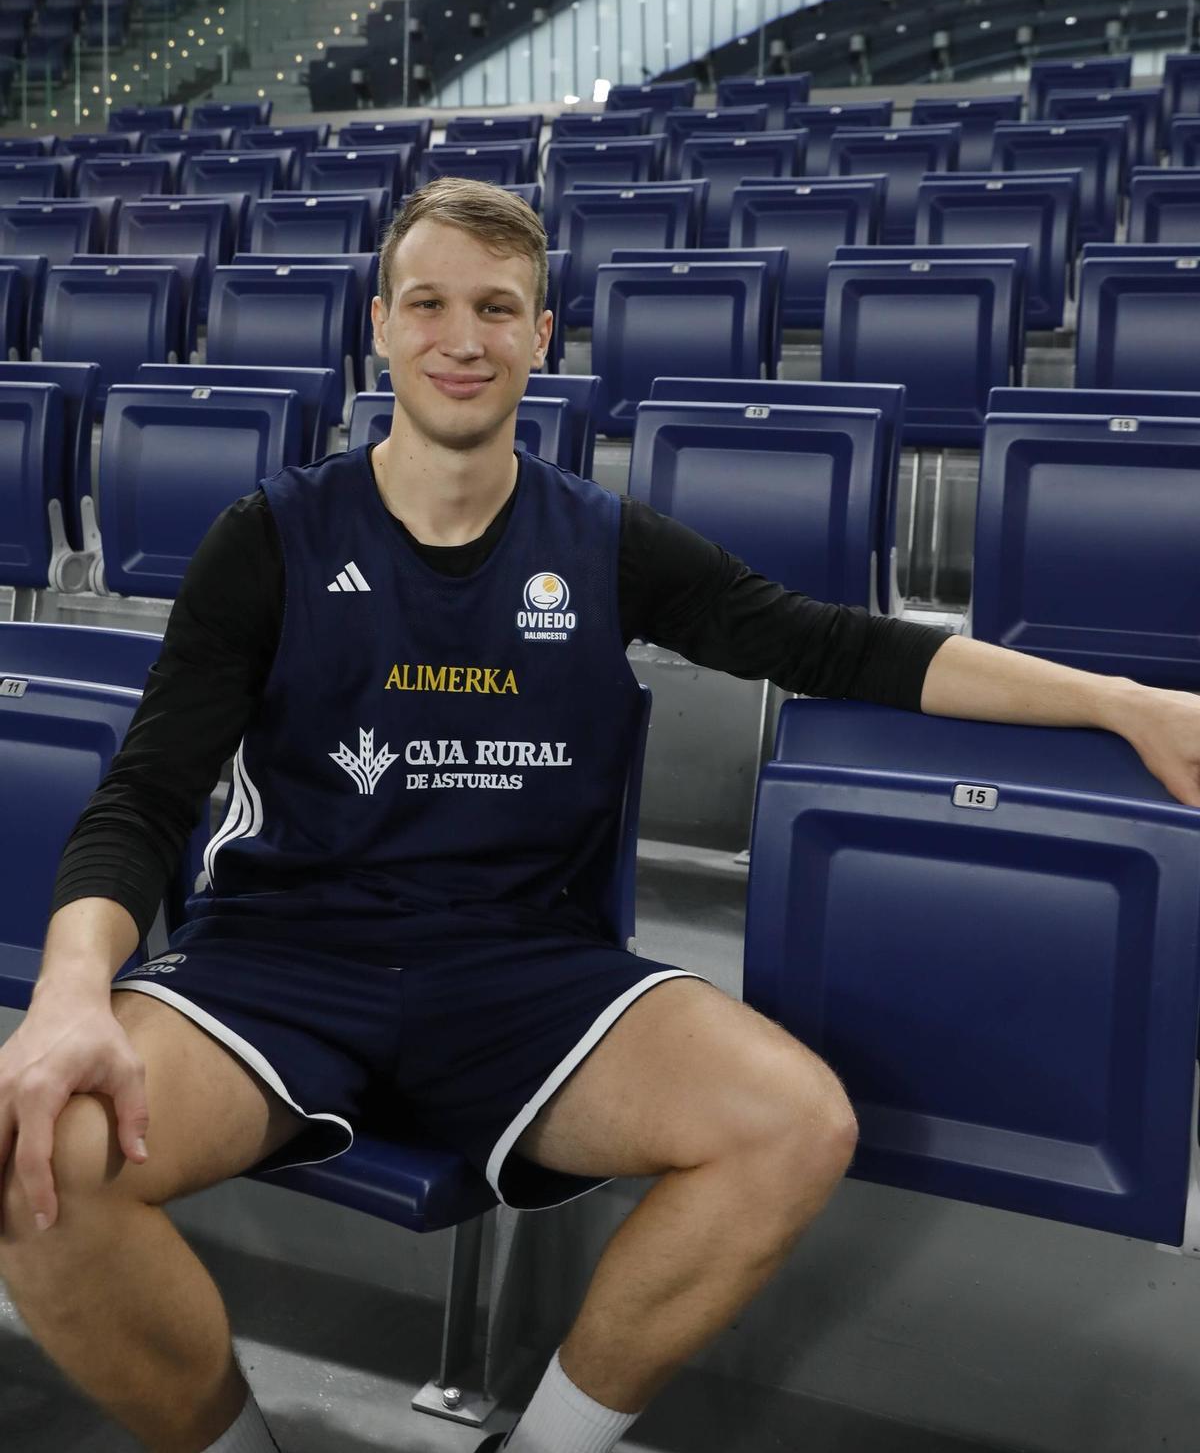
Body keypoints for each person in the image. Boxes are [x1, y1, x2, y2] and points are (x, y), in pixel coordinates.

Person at [1, 176, 1198, 1453]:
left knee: (797, 1124)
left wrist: (1129, 703)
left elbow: (842, 646)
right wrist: (74, 993)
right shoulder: (271, 538)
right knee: (36, 1162)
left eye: (497, 309)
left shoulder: (606, 542)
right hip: (284, 960)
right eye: (432, 305)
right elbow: (146, 792)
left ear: (544, 337)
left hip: (526, 966)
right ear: (381, 326)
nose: (463, 338)